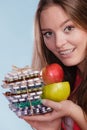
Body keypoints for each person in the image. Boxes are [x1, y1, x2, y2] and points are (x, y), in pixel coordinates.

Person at [21, 0, 87, 129]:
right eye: (48, 33)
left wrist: (73, 111)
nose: (58, 43)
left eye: (69, 28)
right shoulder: (69, 81)